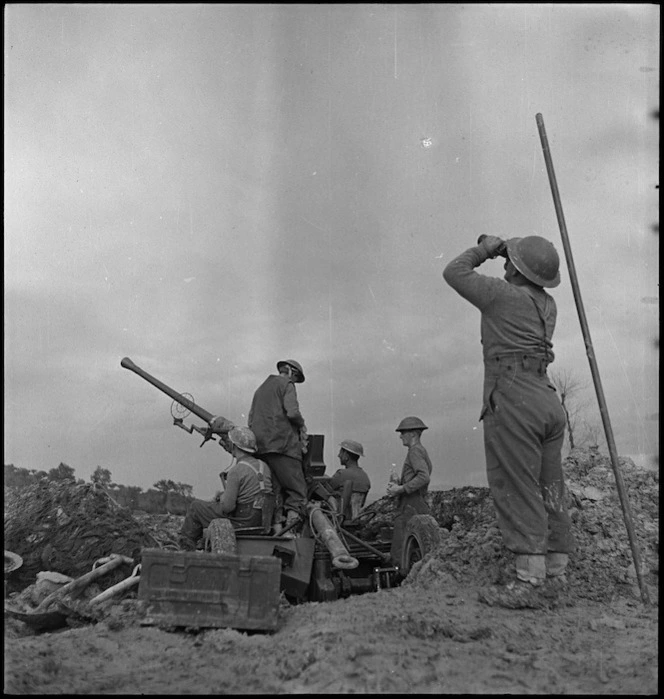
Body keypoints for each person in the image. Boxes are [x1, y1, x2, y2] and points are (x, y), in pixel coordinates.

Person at [442, 234, 576, 607]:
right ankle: (556, 573)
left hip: (514, 396)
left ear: (516, 269)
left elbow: (454, 271)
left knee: (517, 485)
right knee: (551, 487)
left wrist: (488, 249)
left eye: (509, 263)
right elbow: (527, 278)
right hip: (546, 399)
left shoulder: (502, 296)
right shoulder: (548, 305)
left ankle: (530, 581)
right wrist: (512, 254)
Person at [178, 426, 272, 550]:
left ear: (234, 446)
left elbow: (228, 507)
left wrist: (222, 498)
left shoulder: (236, 471)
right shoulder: (264, 466)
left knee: (195, 507)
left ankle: (186, 549)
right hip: (261, 520)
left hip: (242, 521)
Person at [248, 359, 309, 532]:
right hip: (283, 445)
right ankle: (290, 532)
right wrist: (301, 424)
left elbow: (251, 419)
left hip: (261, 448)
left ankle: (273, 529)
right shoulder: (287, 384)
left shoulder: (260, 389)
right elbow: (292, 412)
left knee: (273, 491)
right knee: (297, 491)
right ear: (292, 373)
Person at [386, 416, 433, 563]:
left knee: (400, 553)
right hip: (416, 503)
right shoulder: (420, 450)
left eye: (403, 432)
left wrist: (400, 489)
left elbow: (424, 477)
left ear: (413, 434)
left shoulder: (415, 451)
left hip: (410, 505)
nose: (400, 436)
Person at [327, 440, 371, 517]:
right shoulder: (365, 476)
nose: (338, 455)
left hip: (338, 518)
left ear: (346, 456)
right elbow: (362, 504)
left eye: (341, 452)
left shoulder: (341, 474)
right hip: (355, 517)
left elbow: (327, 489)